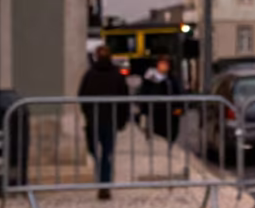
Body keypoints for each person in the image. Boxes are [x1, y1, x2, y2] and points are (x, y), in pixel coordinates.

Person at [77, 45, 130, 200]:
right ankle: (104, 182)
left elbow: (82, 96)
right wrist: (121, 120)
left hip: (99, 121)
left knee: (102, 153)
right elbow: (124, 100)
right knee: (105, 153)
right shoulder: (105, 75)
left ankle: (104, 184)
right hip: (104, 120)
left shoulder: (92, 74)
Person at [137, 55, 184, 149]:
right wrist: (143, 112)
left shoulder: (172, 80)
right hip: (155, 115)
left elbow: (179, 95)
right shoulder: (150, 79)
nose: (164, 66)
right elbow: (143, 95)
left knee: (169, 138)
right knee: (156, 141)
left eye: (166, 64)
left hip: (170, 116)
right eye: (161, 64)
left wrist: (179, 110)